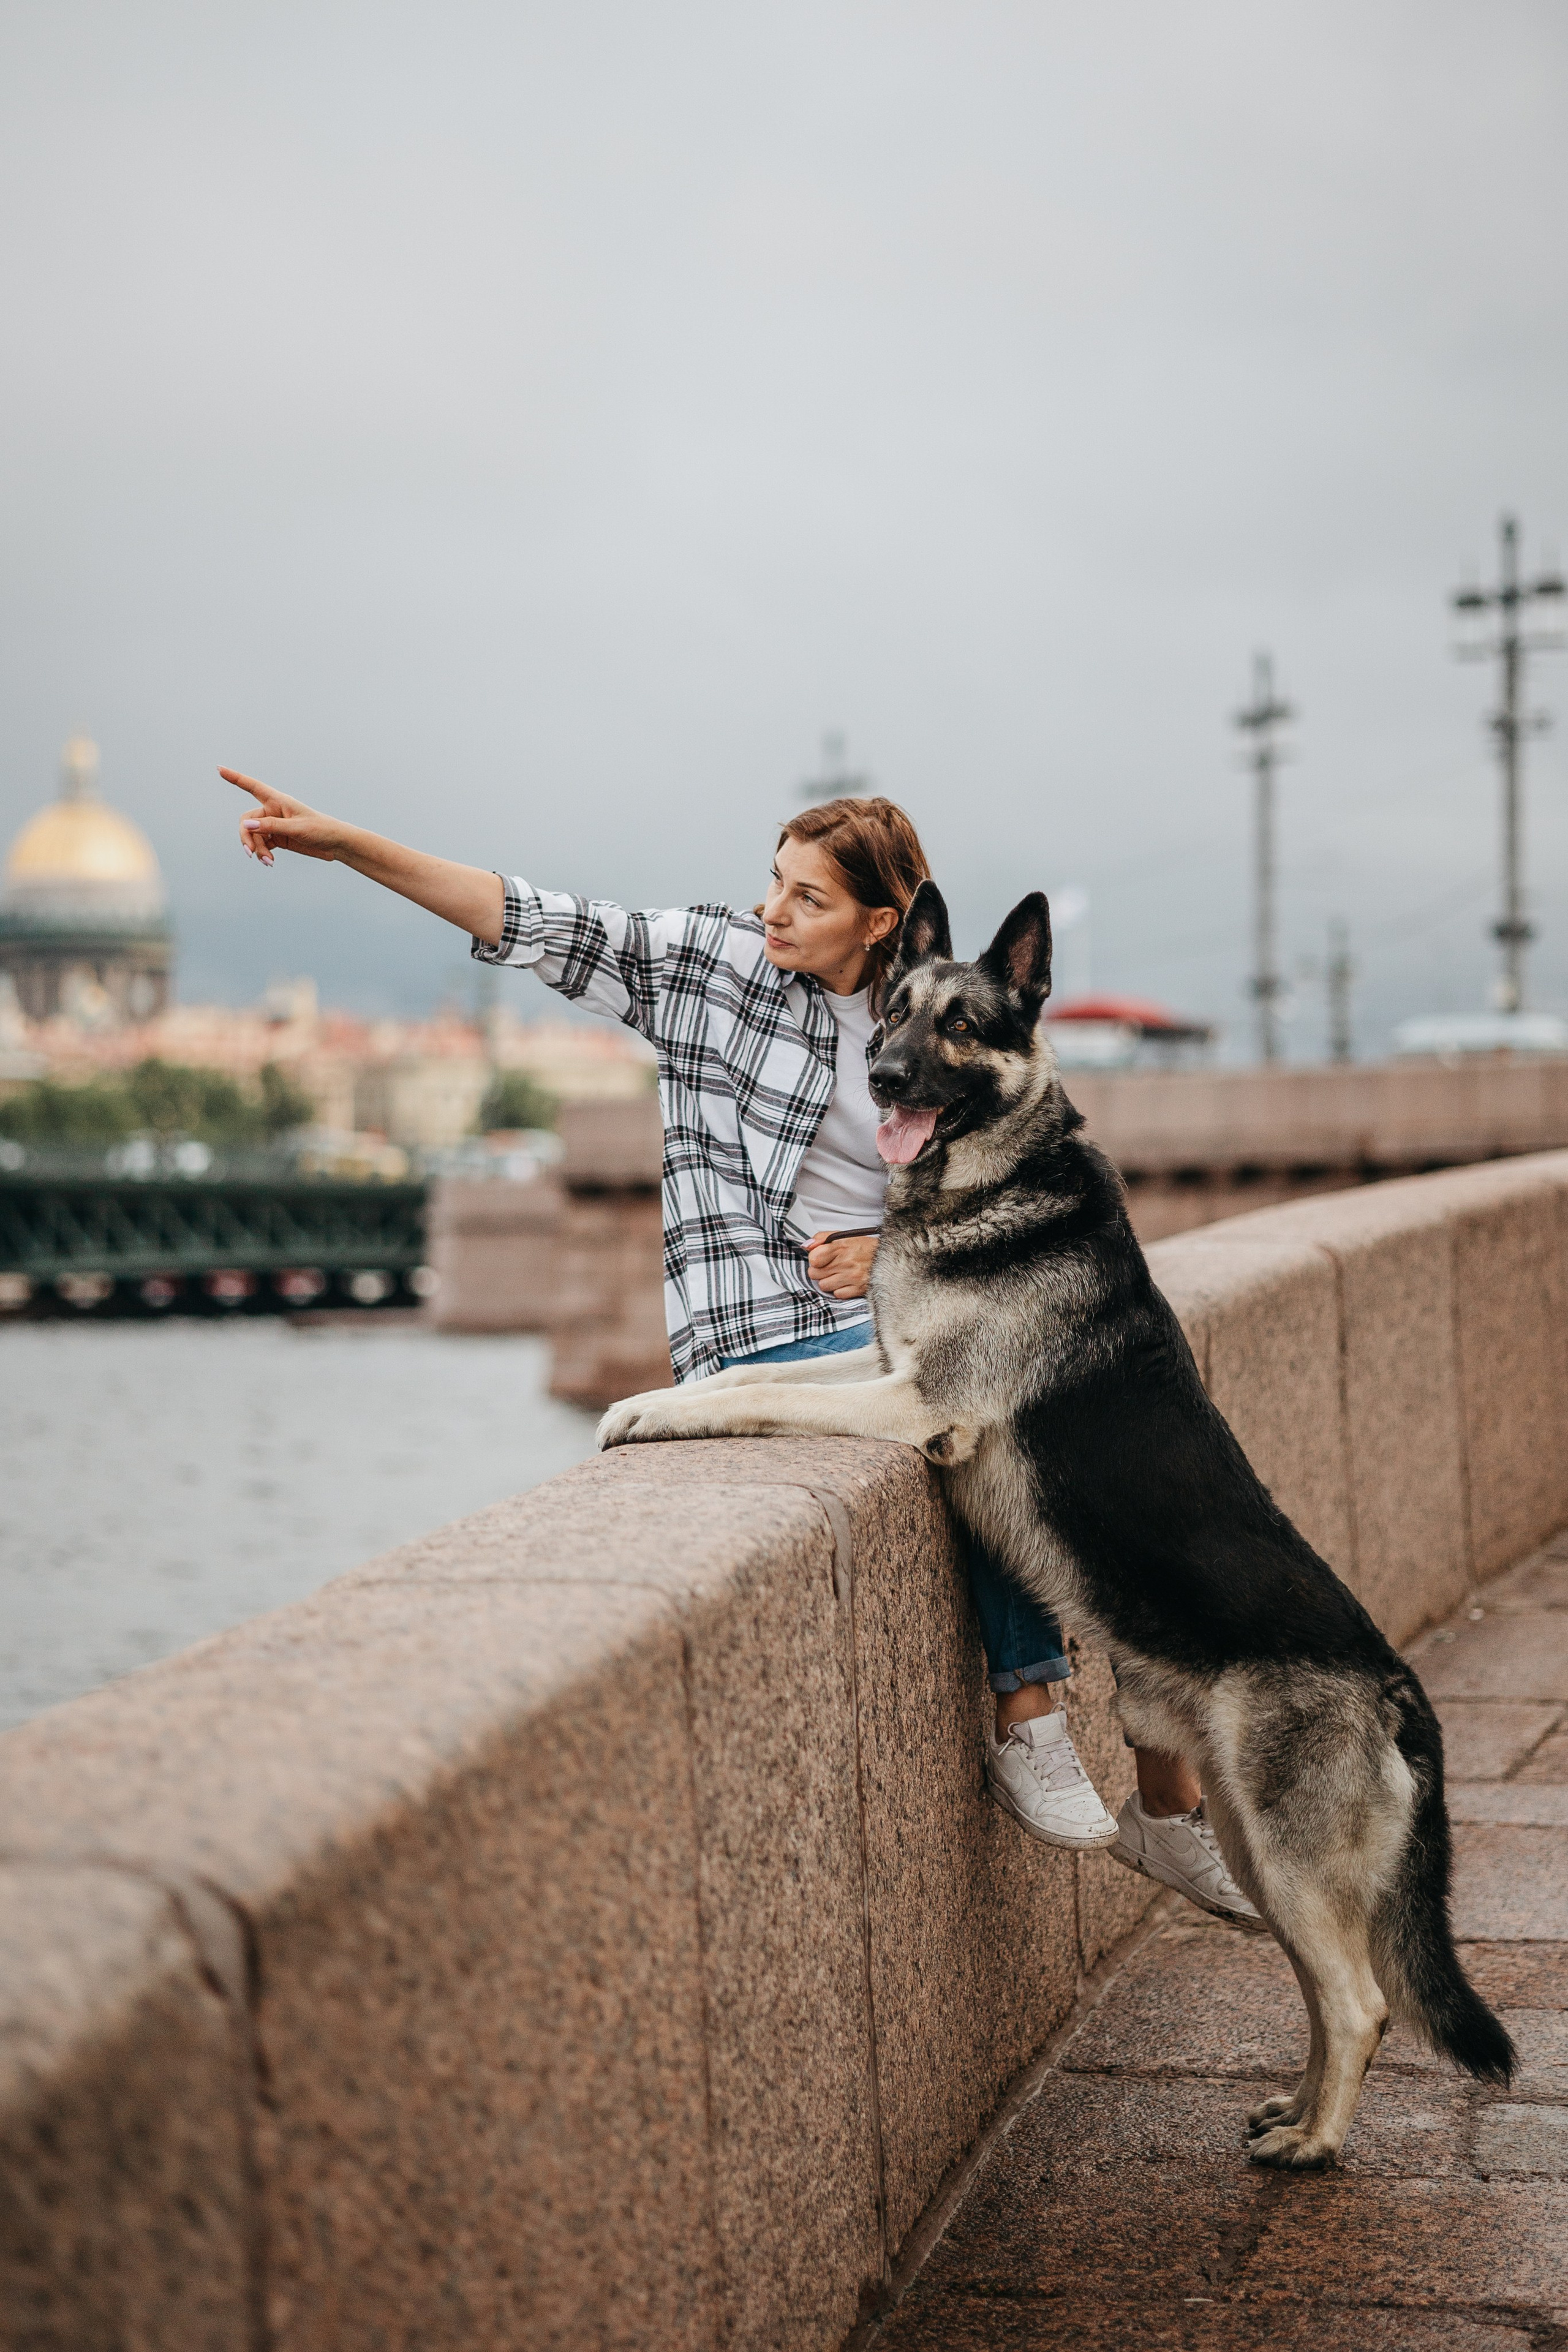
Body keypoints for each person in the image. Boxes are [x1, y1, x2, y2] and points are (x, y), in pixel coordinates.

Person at [222, 766, 1258, 1927]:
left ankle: (1168, 1809)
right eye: (773, 882)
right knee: (997, 1410)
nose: (772, 910)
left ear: (883, 925)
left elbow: (996, 1197)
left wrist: (889, 1249)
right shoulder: (714, 968)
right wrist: (342, 844)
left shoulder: (937, 1021)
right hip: (763, 1324)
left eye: (807, 899)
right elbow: (518, 913)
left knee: (1119, 1448)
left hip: (892, 1311)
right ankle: (1026, 1713)